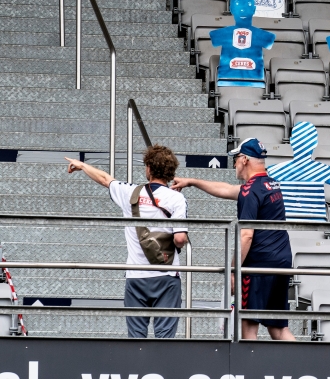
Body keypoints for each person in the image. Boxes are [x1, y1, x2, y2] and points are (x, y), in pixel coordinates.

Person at [171, 138, 295, 341]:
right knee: (278, 328)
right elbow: (227, 189)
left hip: (258, 266)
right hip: (281, 261)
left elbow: (246, 235)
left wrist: (232, 269)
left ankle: (250, 371)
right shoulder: (270, 184)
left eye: (236, 159)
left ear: (245, 159)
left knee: (248, 327)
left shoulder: (250, 190)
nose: (234, 164)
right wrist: (192, 182)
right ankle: (300, 369)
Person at [65, 146, 188, 339]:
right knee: (165, 340)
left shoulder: (130, 193)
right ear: (171, 172)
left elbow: (106, 179)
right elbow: (180, 239)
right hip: (167, 276)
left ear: (148, 168)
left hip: (136, 276)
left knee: (136, 339)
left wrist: (82, 165)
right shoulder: (177, 198)